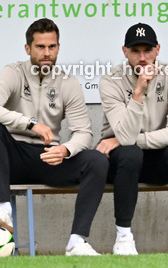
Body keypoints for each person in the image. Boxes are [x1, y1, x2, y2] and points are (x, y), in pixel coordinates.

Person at [0, 19, 108, 255]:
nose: (46, 53)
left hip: (48, 158)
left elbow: (83, 132)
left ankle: (77, 241)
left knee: (97, 160)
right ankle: (2, 212)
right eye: (40, 47)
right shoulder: (13, 72)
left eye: (52, 47)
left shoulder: (68, 83)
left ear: (58, 47)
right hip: (10, 157)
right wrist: (30, 124)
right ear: (28, 49)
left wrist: (66, 150)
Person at [98, 23, 168, 255]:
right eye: (135, 51)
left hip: (157, 160)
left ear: (158, 49)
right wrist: (138, 92)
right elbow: (125, 135)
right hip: (122, 164)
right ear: (124, 51)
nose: (142, 57)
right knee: (130, 153)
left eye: (148, 50)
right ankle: (123, 236)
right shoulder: (111, 80)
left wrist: (122, 140)